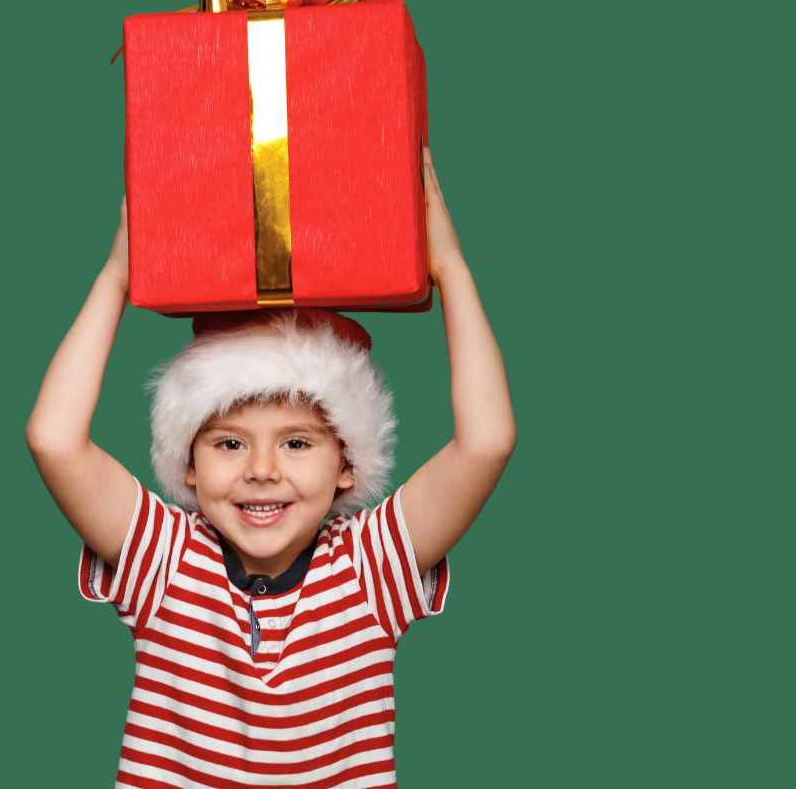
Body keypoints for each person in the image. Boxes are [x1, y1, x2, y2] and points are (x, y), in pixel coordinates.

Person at [26, 147, 516, 786]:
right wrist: (118, 276)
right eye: (229, 444)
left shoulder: (370, 567)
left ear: (347, 463)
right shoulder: (167, 560)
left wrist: (449, 267)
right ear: (189, 464)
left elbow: (486, 442)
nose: (262, 469)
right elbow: (54, 439)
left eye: (297, 444)